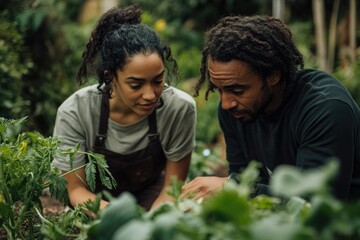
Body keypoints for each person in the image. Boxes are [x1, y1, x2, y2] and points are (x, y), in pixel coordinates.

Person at [181, 15, 360, 201]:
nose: (226, 103)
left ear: (273, 75)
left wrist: (232, 188)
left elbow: (315, 206)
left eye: (237, 90)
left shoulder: (325, 109)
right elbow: (246, 181)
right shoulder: (236, 112)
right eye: (220, 90)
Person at [52, 5, 196, 212]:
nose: (150, 95)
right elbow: (75, 190)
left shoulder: (179, 108)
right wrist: (119, 217)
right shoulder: (75, 111)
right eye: (136, 85)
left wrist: (151, 223)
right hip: (94, 203)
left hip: (153, 195)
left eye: (158, 81)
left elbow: (172, 189)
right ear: (110, 77)